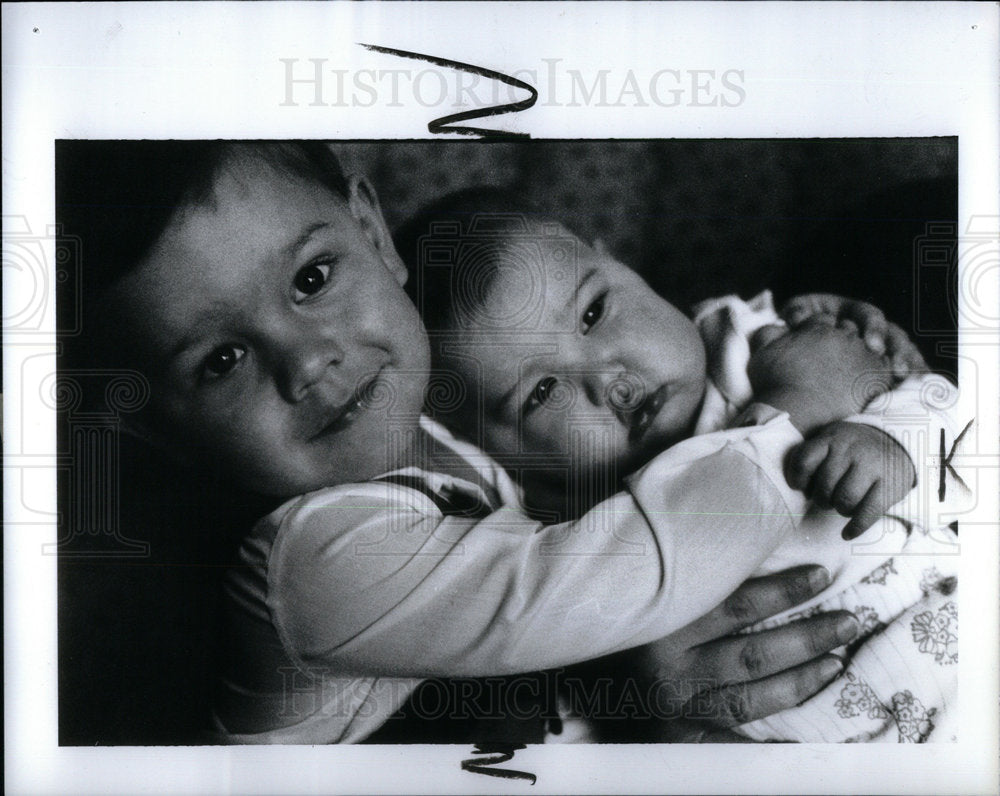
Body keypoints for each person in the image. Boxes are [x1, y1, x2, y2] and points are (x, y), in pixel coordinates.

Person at [59, 141, 899, 745]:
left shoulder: (428, 426)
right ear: (156, 425)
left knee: (893, 229)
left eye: (313, 279)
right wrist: (798, 408)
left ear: (373, 234)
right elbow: (629, 577)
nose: (311, 361)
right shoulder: (315, 560)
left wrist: (793, 339)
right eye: (223, 361)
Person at [395, 187, 967, 742]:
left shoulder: (761, 344)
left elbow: (953, 418)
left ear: (617, 260)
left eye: (594, 312)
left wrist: (892, 440)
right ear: (502, 458)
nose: (608, 381)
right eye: (542, 392)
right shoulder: (566, 546)